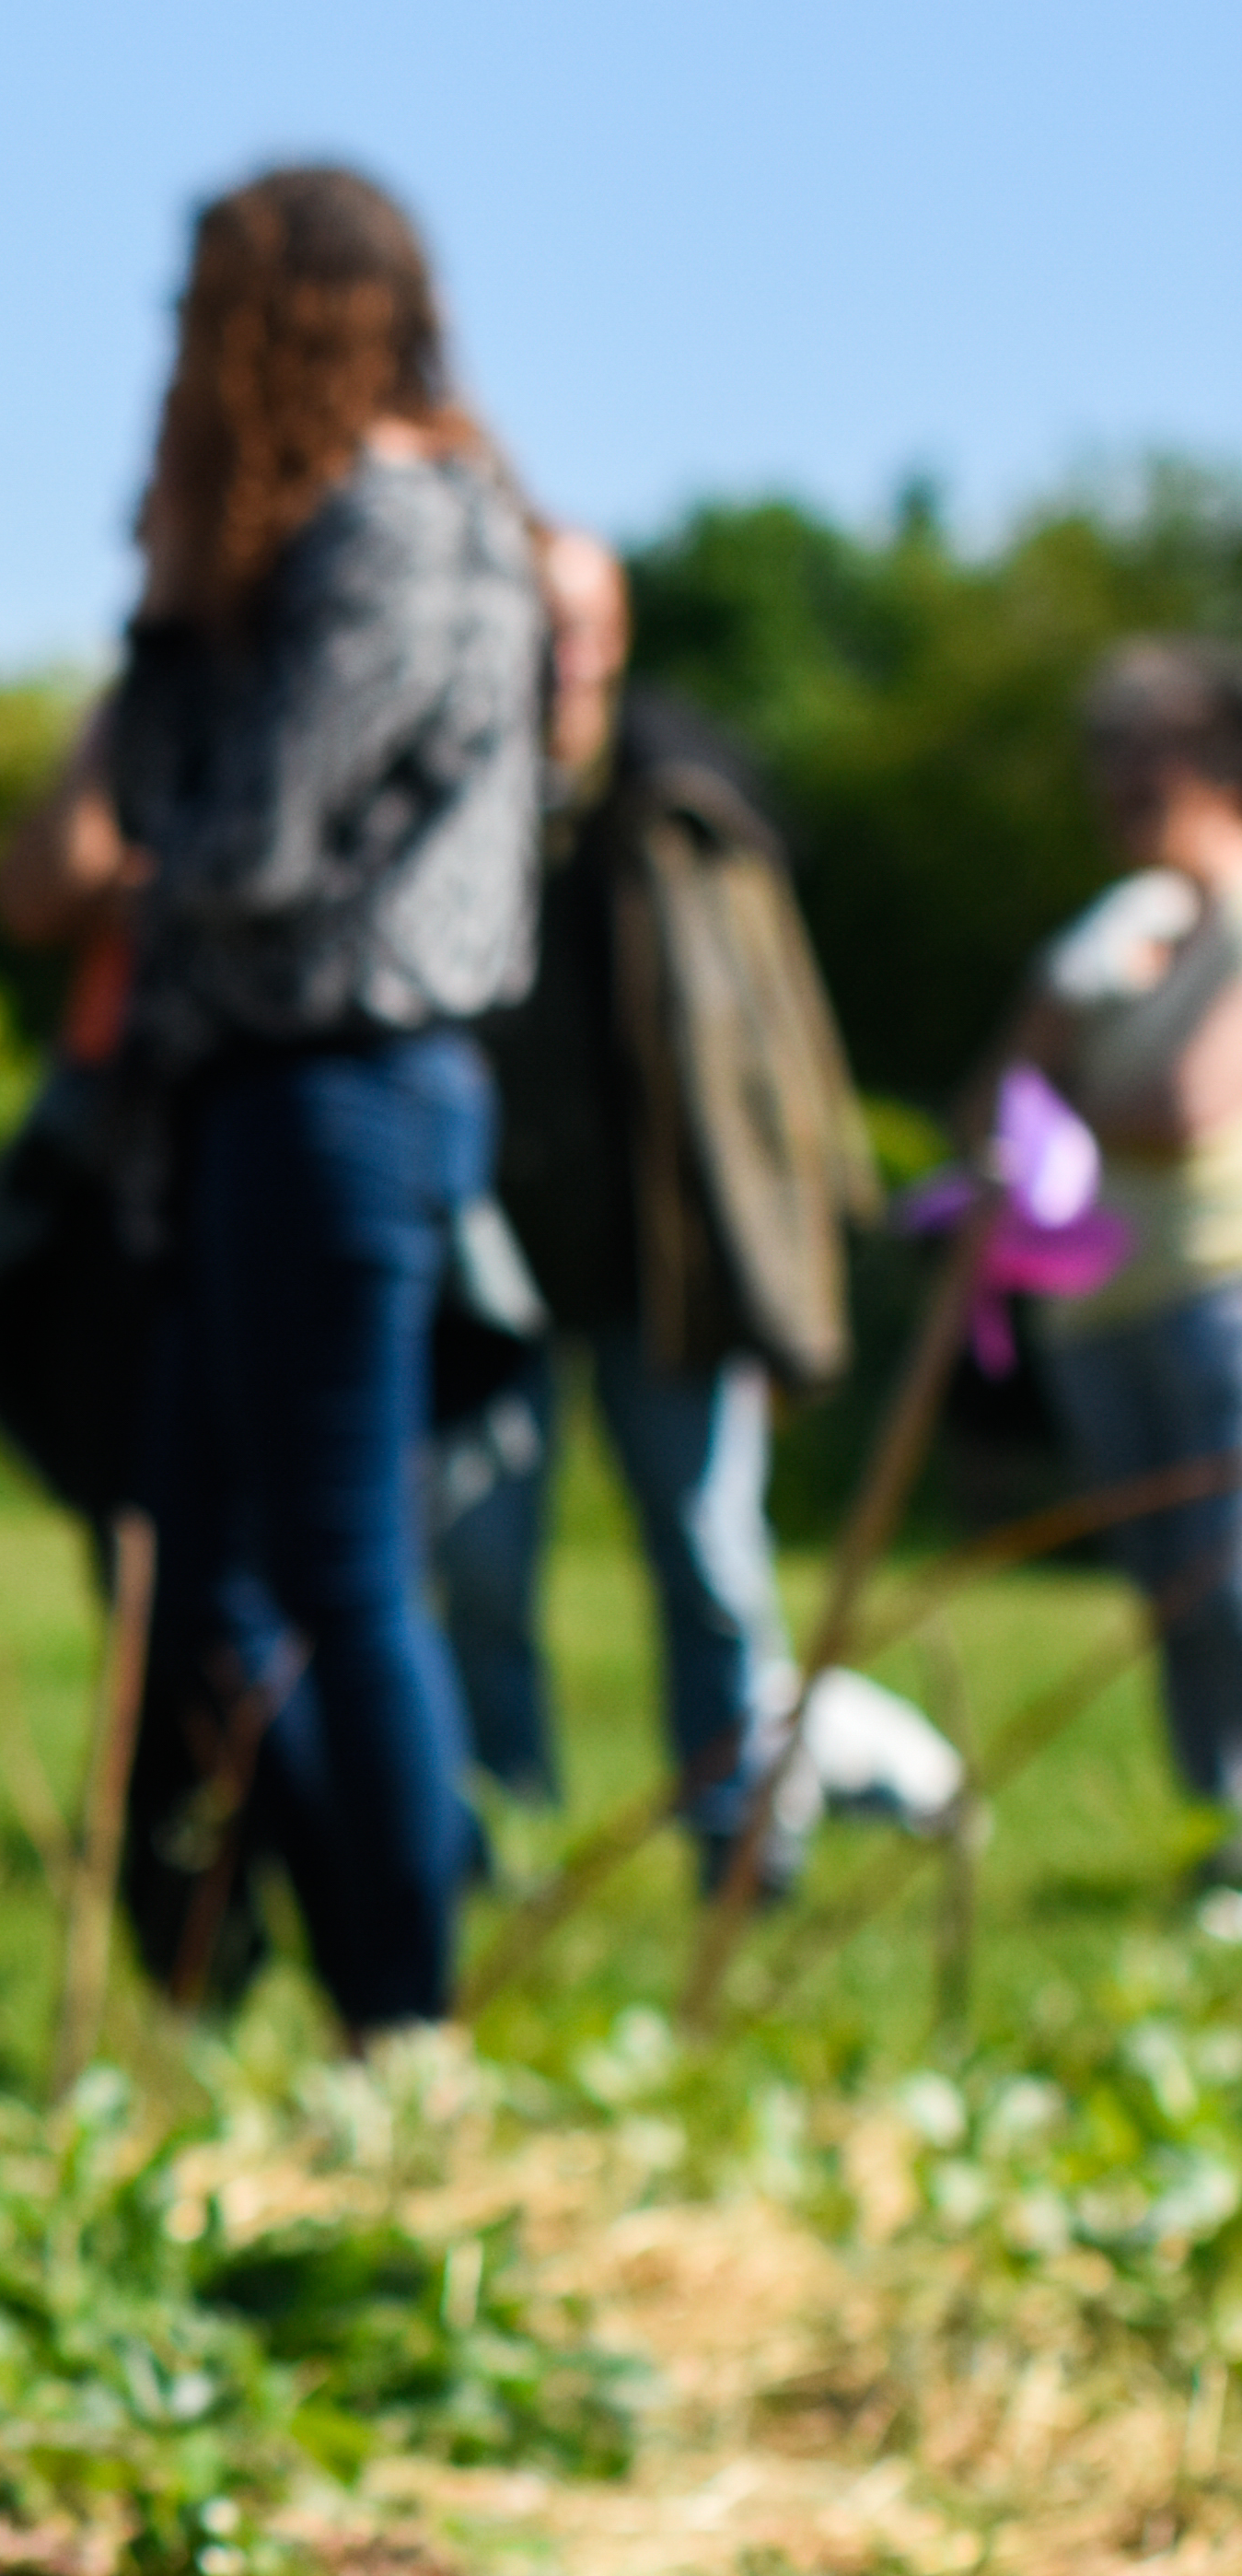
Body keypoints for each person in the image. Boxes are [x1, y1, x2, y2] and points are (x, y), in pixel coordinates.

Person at [60, 163, 541, 2042]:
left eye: (205, 299)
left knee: (333, 1558)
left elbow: (246, 838)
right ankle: (310, 1972)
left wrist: (178, 628)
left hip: (347, 1078)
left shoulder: (401, 525)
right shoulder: (317, 529)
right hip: (253, 1092)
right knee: (205, 1560)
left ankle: (400, 2007)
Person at [430, 523, 870, 1882]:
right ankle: (510, 1832)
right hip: (489, 1242)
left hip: (672, 1249)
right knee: (484, 1565)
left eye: (585, 625)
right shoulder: (446, 800)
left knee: (708, 1554)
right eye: (535, 624)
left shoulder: (691, 807)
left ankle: (744, 1834)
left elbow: (779, 1052)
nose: (562, 655)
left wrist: (806, 1229)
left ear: (617, 639)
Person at [1008, 639, 1242, 1880]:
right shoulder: (1115, 931)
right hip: (1096, 1310)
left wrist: (1061, 1100)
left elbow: (1186, 1111)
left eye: (1136, 753)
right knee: (1170, 1598)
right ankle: (1217, 1842)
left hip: (1217, 1289)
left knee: (1233, 1581)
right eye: (1100, 753)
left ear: (1211, 758)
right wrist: (1068, 1032)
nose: (1111, 781)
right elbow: (991, 1102)